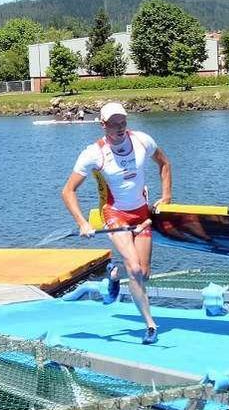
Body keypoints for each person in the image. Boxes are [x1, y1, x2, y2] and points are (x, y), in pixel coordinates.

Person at [61, 102, 172, 345]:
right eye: (114, 123)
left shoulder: (142, 140)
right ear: (103, 125)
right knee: (133, 268)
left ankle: (113, 274)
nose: (120, 127)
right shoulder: (94, 153)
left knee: (143, 273)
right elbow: (68, 191)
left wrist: (166, 197)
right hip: (115, 215)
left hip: (142, 215)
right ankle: (151, 326)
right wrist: (82, 223)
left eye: (123, 121)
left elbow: (164, 164)